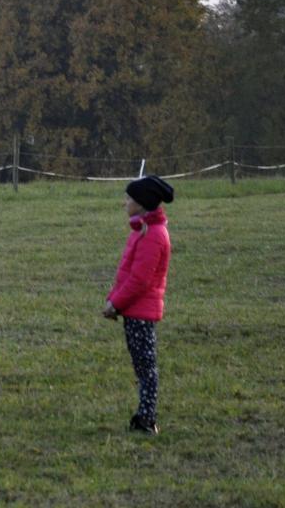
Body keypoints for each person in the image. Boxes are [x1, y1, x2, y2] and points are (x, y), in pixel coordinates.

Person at [102, 174, 173, 434]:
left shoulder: (153, 235)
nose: (125, 203)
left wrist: (115, 304)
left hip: (141, 312)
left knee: (146, 368)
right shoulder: (141, 230)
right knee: (141, 366)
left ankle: (146, 420)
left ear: (141, 204)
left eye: (129, 199)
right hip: (132, 310)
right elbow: (126, 273)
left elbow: (140, 280)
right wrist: (113, 300)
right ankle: (143, 416)